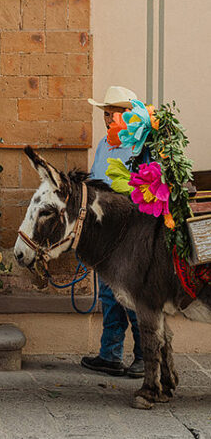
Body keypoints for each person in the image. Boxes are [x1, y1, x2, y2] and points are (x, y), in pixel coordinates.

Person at [80, 85, 144, 379]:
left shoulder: (140, 146)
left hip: (128, 231)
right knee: (108, 293)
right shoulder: (105, 144)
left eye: (112, 114)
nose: (107, 120)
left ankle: (144, 355)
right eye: (106, 114)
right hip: (105, 230)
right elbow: (96, 178)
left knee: (130, 295)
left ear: (127, 115)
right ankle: (110, 354)